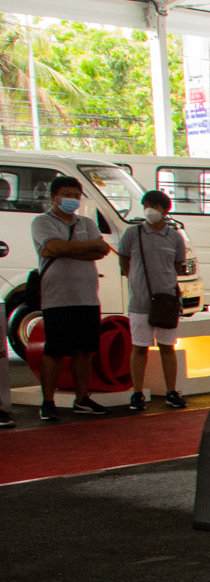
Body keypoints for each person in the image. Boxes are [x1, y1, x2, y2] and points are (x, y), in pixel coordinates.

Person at [31, 175, 111, 421]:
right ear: (54, 197)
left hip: (88, 297)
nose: (72, 200)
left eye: (76, 196)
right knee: (55, 350)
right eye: (67, 195)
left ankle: (82, 399)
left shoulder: (86, 222)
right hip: (57, 297)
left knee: (84, 350)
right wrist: (85, 247)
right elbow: (55, 247)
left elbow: (102, 250)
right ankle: (48, 401)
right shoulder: (41, 222)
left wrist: (64, 249)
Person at [118, 190, 191, 411]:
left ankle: (172, 391)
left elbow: (177, 265)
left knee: (167, 347)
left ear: (164, 210)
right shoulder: (133, 233)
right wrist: (135, 280)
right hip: (140, 302)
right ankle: (137, 393)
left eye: (154, 206)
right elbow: (123, 260)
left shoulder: (175, 237)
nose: (149, 210)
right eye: (146, 205)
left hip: (167, 301)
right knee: (139, 347)